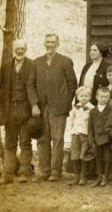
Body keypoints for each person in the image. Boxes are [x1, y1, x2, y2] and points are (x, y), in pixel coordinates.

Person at [32, 32, 77, 182]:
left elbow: (72, 85)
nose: (49, 44)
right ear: (44, 44)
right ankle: (44, 170)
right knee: (42, 138)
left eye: (52, 42)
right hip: (41, 107)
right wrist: (34, 104)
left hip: (58, 107)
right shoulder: (37, 62)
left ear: (57, 44)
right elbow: (31, 85)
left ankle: (56, 171)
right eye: (47, 42)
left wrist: (66, 104)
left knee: (57, 139)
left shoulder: (65, 61)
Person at [0, 39, 38, 184]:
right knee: (10, 143)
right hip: (10, 111)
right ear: (13, 49)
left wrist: (35, 105)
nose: (20, 50)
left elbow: (34, 87)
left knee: (25, 142)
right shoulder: (6, 66)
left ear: (25, 50)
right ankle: (7, 174)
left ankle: (24, 172)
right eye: (17, 48)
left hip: (26, 111)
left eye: (22, 48)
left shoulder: (32, 65)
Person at [68, 86, 94, 186]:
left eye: (86, 96)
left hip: (85, 134)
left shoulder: (92, 108)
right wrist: (70, 131)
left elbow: (92, 123)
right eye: (81, 96)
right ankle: (76, 176)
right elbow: (71, 119)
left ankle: (83, 176)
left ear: (90, 97)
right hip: (75, 133)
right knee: (75, 154)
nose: (83, 98)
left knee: (84, 154)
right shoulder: (75, 107)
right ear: (77, 97)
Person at [88, 86, 112, 187]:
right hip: (96, 139)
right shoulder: (92, 111)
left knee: (107, 158)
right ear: (97, 97)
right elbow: (90, 127)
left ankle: (105, 177)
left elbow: (111, 125)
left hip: (107, 139)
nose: (104, 99)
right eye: (102, 96)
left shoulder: (111, 110)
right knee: (98, 158)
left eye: (107, 97)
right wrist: (91, 140)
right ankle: (99, 176)